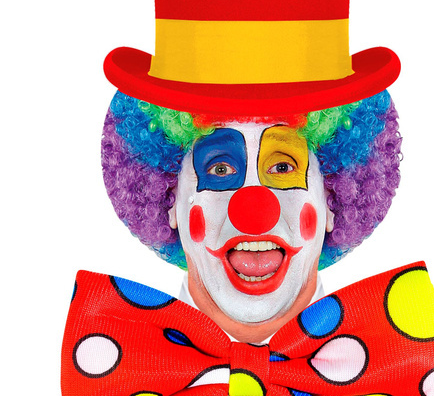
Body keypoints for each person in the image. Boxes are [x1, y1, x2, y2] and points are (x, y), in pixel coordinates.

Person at [101, 89, 401, 341]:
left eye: (282, 167)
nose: (255, 213)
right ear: (169, 198)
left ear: (332, 200)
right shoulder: (113, 364)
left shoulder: (394, 368)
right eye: (220, 169)